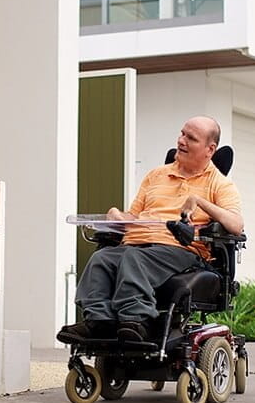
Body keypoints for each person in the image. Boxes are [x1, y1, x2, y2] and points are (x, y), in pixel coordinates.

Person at [57, 115, 243, 343]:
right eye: (182, 133)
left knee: (134, 259)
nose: (181, 141)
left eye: (191, 138)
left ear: (209, 149)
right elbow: (133, 217)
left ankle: (136, 320)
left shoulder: (219, 184)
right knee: (102, 259)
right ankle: (99, 322)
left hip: (180, 249)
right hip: (138, 241)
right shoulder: (156, 175)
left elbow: (236, 224)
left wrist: (200, 202)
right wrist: (116, 216)